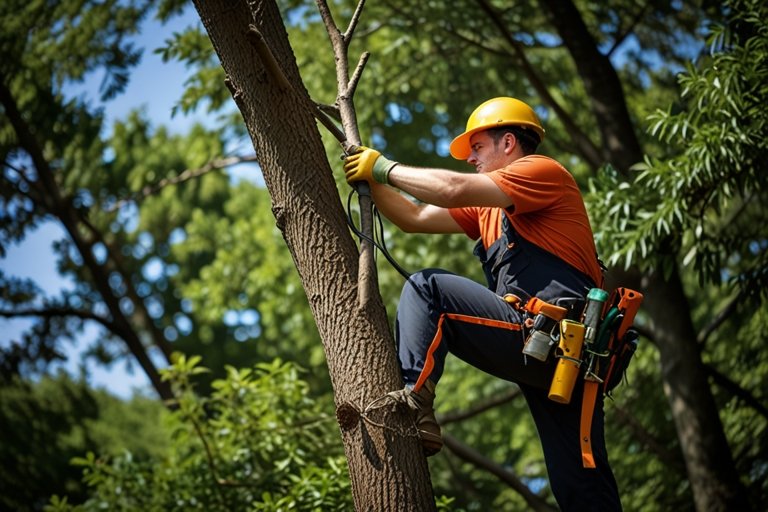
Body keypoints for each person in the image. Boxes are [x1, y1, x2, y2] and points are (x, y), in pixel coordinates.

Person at [343, 97, 622, 511]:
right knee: (578, 486)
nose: (470, 158)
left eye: (477, 147)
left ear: (508, 142)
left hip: (561, 343)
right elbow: (415, 218)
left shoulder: (541, 172)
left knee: (427, 288)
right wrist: (373, 182)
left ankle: (413, 402)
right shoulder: (489, 209)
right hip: (553, 357)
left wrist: (384, 167)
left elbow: (452, 189)